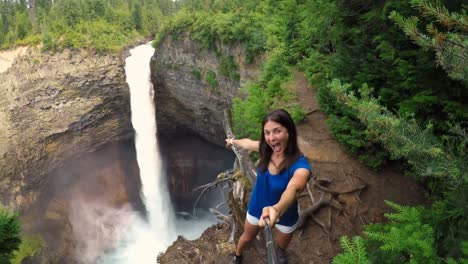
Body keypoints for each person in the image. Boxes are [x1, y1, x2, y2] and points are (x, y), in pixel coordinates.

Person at [225, 109, 312, 264]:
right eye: (267, 133)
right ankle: (237, 256)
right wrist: (233, 142)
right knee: (246, 237)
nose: (271, 138)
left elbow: (293, 189)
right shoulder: (266, 150)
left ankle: (279, 256)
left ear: (289, 132)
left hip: (286, 213)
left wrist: (277, 209)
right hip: (257, 206)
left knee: (279, 250)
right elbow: (248, 143)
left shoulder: (301, 166)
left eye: (277, 131)